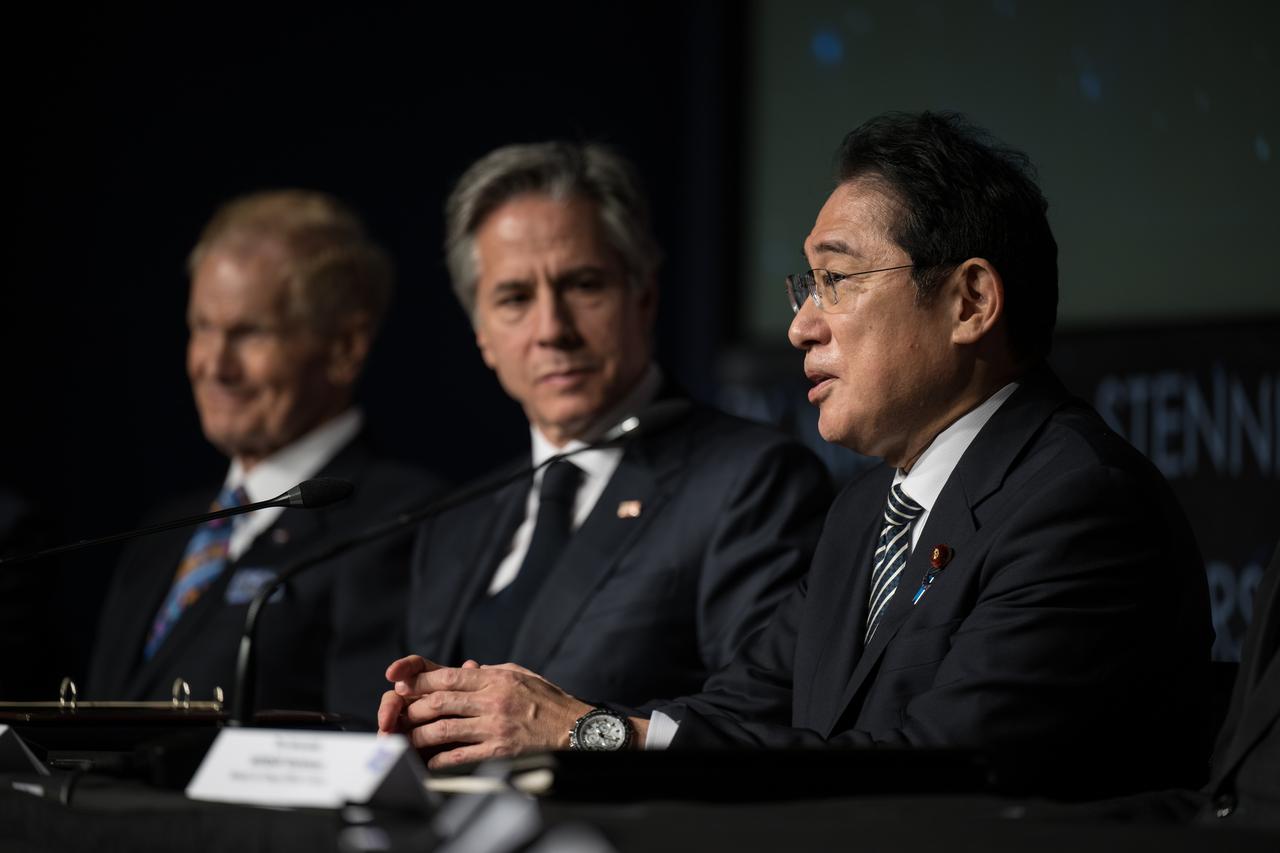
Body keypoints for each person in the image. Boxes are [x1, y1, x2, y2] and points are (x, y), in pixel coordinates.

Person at [379, 113, 1212, 798]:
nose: (801, 325)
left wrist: (582, 733)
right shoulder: (866, 512)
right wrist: (527, 721)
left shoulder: (1077, 504)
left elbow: (947, 776)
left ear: (970, 301)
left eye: (836, 281)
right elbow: (746, 714)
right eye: (804, 287)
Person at [383, 142, 831, 732]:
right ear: (482, 335)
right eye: (515, 299)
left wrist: (578, 730)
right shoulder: (454, 524)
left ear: (643, 297)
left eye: (583, 285)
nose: (553, 330)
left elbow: (762, 719)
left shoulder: (751, 480)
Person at [88, 190, 443, 726]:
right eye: (201, 328)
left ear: (344, 349)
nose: (213, 364)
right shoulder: (160, 536)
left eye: (249, 333)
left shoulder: (399, 521)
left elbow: (359, 743)